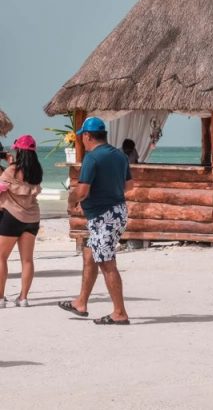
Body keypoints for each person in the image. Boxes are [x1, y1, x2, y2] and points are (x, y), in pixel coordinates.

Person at [59, 117, 131, 325]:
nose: (81, 140)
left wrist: (71, 200)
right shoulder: (119, 155)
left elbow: (82, 191)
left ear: (87, 136)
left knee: (107, 264)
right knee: (90, 255)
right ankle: (81, 302)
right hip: (117, 211)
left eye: (82, 136)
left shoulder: (92, 158)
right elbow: (129, 186)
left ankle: (119, 313)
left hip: (104, 217)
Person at [0, 135, 43, 307]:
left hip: (12, 217)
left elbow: (1, 187)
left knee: (1, 257)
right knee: (27, 260)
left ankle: (1, 298)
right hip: (32, 218)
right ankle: (23, 298)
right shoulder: (37, 171)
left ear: (19, 151)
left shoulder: (11, 170)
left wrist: (10, 164)